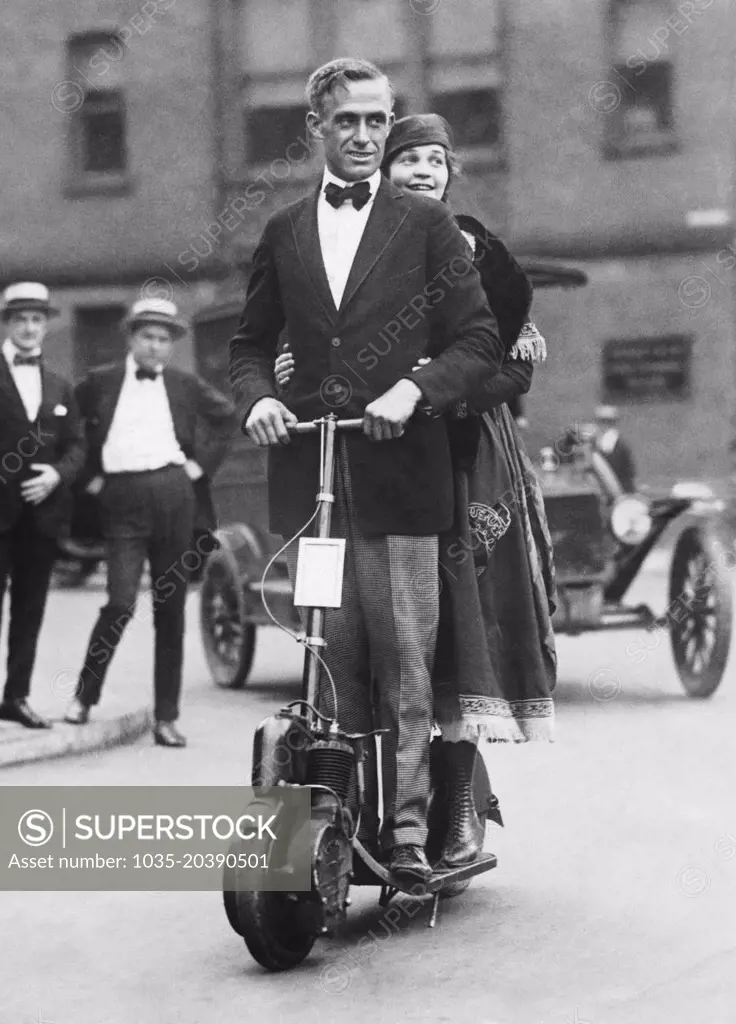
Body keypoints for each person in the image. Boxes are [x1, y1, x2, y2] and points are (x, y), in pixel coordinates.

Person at [229, 59, 504, 885]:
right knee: (330, 657)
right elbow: (249, 344)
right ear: (315, 127)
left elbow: (480, 340)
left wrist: (413, 389)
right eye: (346, 121)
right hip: (315, 479)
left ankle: (412, 833)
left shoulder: (424, 224)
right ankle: (330, 828)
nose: (363, 137)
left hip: (402, 476)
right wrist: (256, 401)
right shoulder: (282, 231)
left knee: (407, 659)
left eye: (378, 122)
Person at [275, 112, 557, 870]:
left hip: (464, 458)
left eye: (436, 160)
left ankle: (457, 806)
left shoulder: (473, 251)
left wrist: (433, 393)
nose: (424, 171)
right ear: (380, 176)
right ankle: (346, 802)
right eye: (408, 161)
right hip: (362, 457)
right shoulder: (347, 251)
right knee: (350, 629)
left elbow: (511, 360)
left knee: (457, 626)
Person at [65, 297, 236, 747]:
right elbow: (67, 427)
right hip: (120, 499)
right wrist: (88, 480)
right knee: (120, 602)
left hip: (175, 496)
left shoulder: (184, 385)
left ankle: (166, 716)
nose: (156, 346)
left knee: (170, 609)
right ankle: (84, 696)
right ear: (131, 337)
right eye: (148, 337)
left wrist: (200, 467)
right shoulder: (100, 383)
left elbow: (226, 417)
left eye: (164, 339)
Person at [0, 282, 86, 733]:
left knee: (31, 607)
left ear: (46, 326)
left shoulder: (59, 385)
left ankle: (16, 698)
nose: (29, 327)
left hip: (43, 517)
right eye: (21, 319)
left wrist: (56, 476)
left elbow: (77, 448)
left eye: (37, 319)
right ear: (7, 324)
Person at [594, 404, 636, 492]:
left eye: (606, 421)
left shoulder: (617, 444)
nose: (603, 425)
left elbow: (628, 473)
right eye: (601, 421)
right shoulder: (598, 441)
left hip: (618, 490)